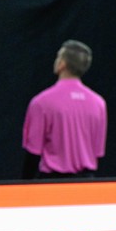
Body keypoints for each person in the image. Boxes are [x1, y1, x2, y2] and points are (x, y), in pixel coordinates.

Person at [22, 40, 107, 179]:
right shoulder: (99, 104)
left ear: (62, 64)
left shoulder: (41, 102)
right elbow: (97, 151)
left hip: (53, 184)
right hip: (87, 184)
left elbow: (33, 152)